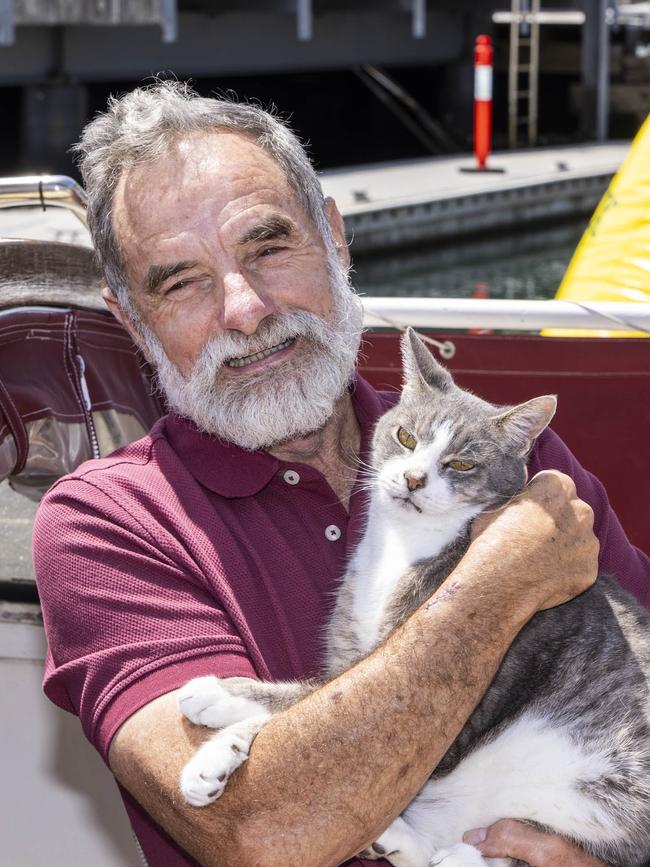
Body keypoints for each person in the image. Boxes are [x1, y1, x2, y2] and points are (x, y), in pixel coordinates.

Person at [33, 81, 650, 867]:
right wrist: (493, 586)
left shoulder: (497, 452)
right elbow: (260, 828)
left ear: (334, 236)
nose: (246, 308)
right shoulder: (108, 523)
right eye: (181, 281)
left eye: (268, 246)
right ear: (130, 320)